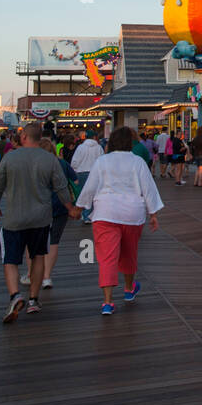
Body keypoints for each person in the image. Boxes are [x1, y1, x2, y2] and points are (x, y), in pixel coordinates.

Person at [0, 123, 81, 322]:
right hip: (41, 218)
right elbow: (61, 187)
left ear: (23, 138)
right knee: (38, 255)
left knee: (10, 260)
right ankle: (33, 299)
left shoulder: (10, 157)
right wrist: (70, 208)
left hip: (14, 218)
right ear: (40, 139)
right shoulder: (49, 159)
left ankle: (15, 295)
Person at [75, 126, 163, 316]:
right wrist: (153, 213)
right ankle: (129, 289)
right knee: (129, 253)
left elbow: (90, 187)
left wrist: (80, 207)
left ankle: (107, 303)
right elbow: (148, 188)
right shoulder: (138, 162)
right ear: (129, 143)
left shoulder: (102, 161)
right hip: (132, 214)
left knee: (107, 258)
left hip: (105, 213)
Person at [28, 136, 79, 290]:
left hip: (37, 207)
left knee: (33, 242)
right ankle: (47, 277)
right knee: (54, 241)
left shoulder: (32, 164)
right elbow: (75, 181)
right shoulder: (62, 163)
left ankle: (32, 274)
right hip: (60, 206)